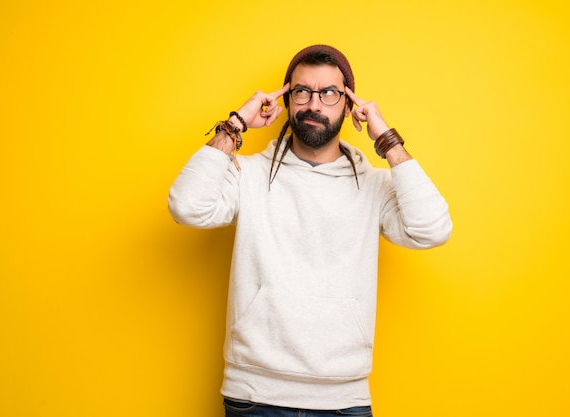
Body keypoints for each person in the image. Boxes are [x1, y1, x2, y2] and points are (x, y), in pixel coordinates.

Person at [168, 44, 452, 417]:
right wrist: (235, 124)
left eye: (330, 93)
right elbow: (187, 206)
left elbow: (432, 229)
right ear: (287, 101)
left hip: (343, 401)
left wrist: (386, 139)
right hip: (255, 396)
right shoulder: (248, 174)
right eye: (302, 91)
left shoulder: (375, 187)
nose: (314, 104)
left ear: (350, 106)